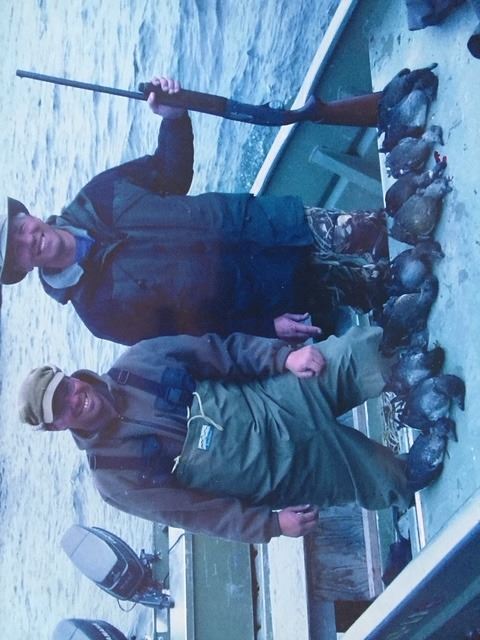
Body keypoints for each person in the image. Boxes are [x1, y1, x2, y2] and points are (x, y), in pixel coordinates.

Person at [1, 77, 388, 345]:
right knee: (371, 287)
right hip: (265, 295)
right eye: (16, 250)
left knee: (369, 230)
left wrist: (174, 118)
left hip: (264, 223)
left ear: (28, 216)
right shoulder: (98, 313)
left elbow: (171, 174)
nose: (28, 239)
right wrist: (266, 327)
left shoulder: (98, 194)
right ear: (22, 268)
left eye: (20, 228)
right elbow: (188, 335)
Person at [18, 326, 415, 543]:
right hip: (284, 473)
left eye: (65, 388)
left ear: (71, 376)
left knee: (369, 350)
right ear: (56, 426)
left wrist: (284, 356)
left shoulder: (138, 361)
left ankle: (416, 374)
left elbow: (221, 352)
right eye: (60, 407)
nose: (74, 399)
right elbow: (195, 513)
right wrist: (271, 526)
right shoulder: (112, 478)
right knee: (393, 479)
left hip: (276, 399)